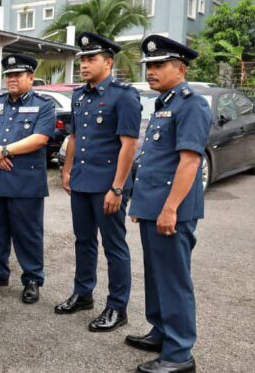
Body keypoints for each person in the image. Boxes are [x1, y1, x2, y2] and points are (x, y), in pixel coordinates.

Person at [125, 35, 212, 373]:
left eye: (159, 65)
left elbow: (190, 162)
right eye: (149, 65)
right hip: (153, 207)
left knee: (174, 279)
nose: (151, 71)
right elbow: (154, 160)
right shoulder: (165, 104)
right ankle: (161, 331)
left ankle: (179, 354)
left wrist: (170, 208)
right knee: (157, 275)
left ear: (181, 69)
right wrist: (142, 205)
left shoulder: (191, 105)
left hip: (171, 210)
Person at [55, 32, 141, 333]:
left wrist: (117, 188)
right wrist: (66, 171)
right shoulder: (79, 95)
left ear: (108, 62)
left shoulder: (124, 95)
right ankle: (83, 294)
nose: (84, 64)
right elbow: (74, 136)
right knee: (83, 241)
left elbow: (129, 145)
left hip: (108, 185)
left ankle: (117, 307)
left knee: (114, 246)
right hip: (81, 181)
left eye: (91, 59)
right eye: (82, 59)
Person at [0, 54, 55, 304]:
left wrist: (4, 151)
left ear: (31, 78)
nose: (12, 79)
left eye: (17, 75)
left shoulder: (43, 105)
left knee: (28, 234)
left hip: (26, 182)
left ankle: (32, 279)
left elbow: (40, 138)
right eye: (9, 75)